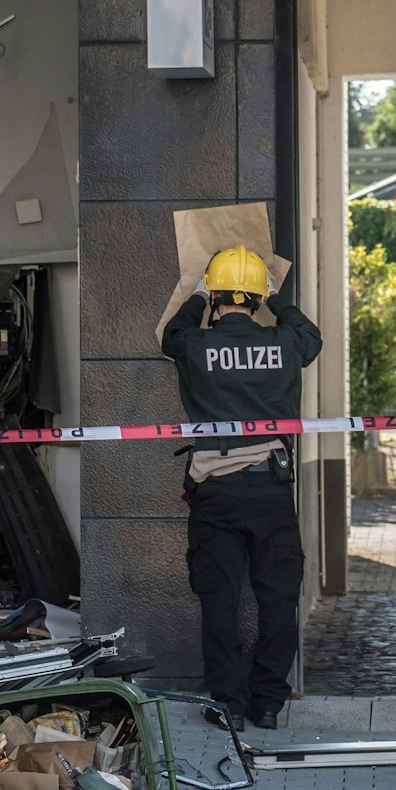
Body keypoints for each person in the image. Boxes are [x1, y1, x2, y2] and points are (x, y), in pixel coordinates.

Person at [160, 246, 323, 731]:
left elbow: (171, 336)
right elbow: (311, 337)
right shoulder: (285, 342)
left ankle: (228, 703)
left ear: (214, 297)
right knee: (278, 597)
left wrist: (195, 295)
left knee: (221, 601)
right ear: (258, 298)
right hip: (270, 490)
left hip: (215, 493)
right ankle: (268, 703)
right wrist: (278, 298)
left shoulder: (194, 344)